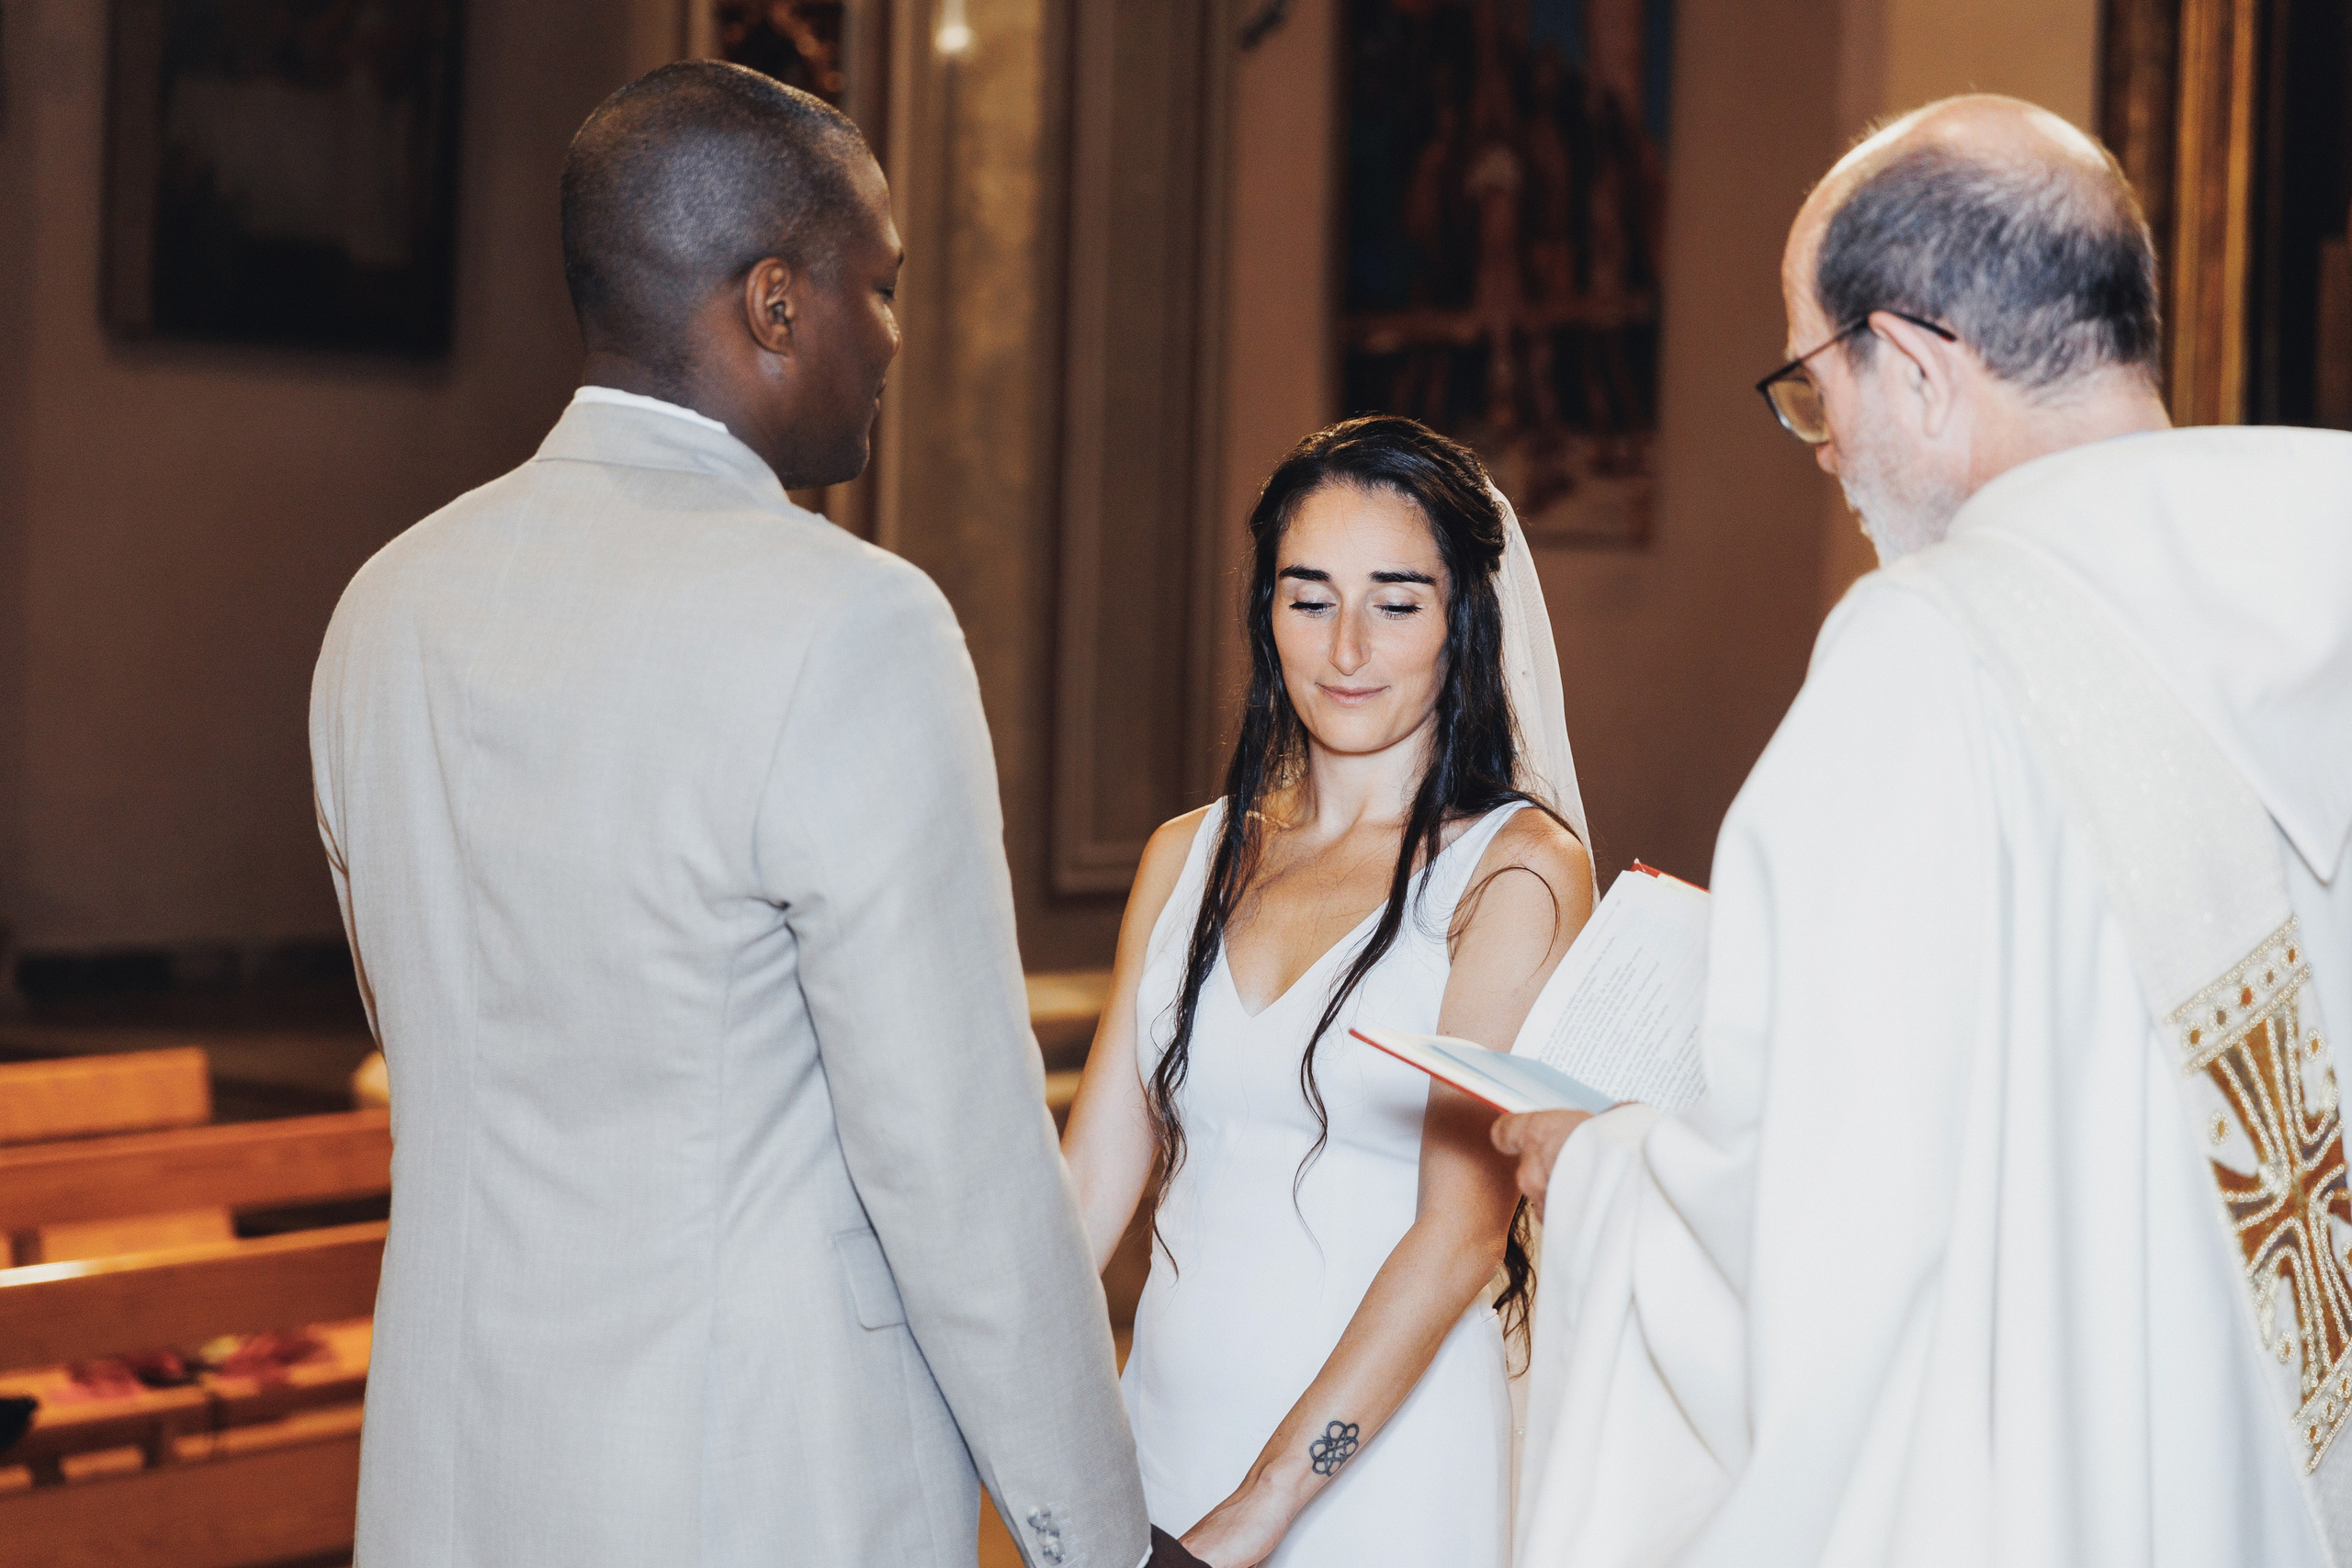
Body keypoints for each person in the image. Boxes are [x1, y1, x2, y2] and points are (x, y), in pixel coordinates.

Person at [311, 62, 1167, 1568]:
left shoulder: (388, 604)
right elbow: (953, 1161)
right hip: (749, 1479)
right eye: (879, 289)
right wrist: (1093, 1532)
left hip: (451, 1474)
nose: (896, 336)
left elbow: (432, 1025)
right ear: (777, 303)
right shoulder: (847, 625)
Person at [1495, 96, 2352, 1564]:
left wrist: (1596, 1169)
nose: (1822, 450)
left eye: (1816, 389)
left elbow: (1814, 1242)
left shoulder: (1932, 656)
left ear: (1917, 362)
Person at [1060, 416, 1598, 1567]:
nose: (1347, 645)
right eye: (1309, 598)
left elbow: (1460, 1233)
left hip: (1379, 1478)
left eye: (1396, 603)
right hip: (1158, 1443)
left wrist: (1255, 1514)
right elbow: (1094, 1179)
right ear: (1267, 616)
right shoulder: (1182, 856)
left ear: (1463, 621)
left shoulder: (1514, 870)